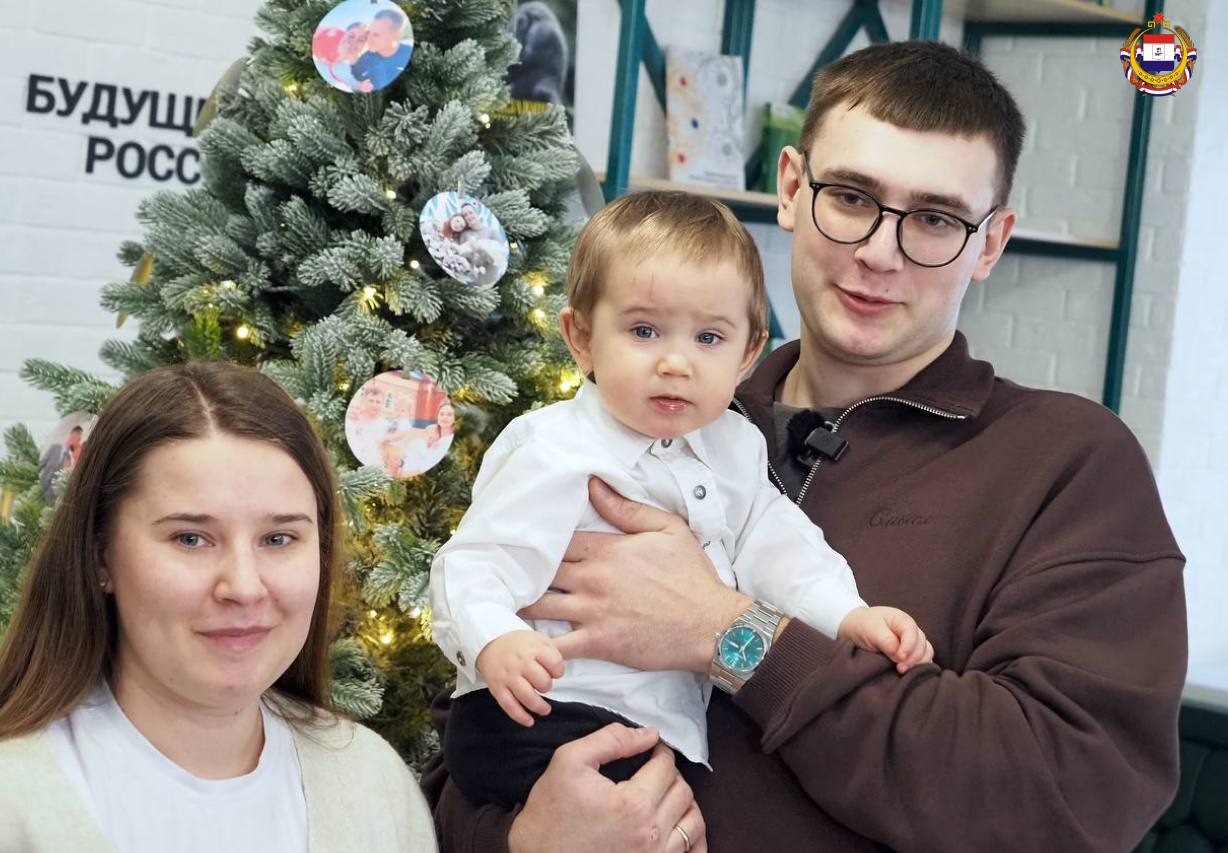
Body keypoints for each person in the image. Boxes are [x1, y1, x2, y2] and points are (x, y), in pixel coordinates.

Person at [422, 40, 1186, 852]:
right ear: (791, 188)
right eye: (851, 197)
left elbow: (1070, 797)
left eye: (935, 219)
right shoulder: (632, 428)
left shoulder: (1068, 463)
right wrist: (520, 839)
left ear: (990, 242)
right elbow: (462, 748)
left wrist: (729, 632)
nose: (879, 253)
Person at [431, 192, 933, 811]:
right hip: (540, 712)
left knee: (662, 814)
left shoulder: (735, 447)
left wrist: (847, 615)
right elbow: (474, 561)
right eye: (644, 331)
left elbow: (780, 547)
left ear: (747, 353)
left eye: (708, 337)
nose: (676, 362)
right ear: (581, 338)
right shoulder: (554, 448)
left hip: (658, 734)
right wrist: (494, 640)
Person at [0, 362, 437, 853]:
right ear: (101, 556)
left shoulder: (372, 784)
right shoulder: (14, 800)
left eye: (278, 538)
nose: (244, 588)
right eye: (190, 538)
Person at [352, 8, 412, 93]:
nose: (369, 39)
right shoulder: (362, 61)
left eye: (376, 35)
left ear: (396, 35)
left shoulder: (411, 55)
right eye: (369, 33)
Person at [38, 423, 84, 501]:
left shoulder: (72, 457)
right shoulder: (54, 448)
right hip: (43, 487)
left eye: (78, 439)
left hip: (54, 495)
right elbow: (41, 464)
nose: (76, 441)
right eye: (74, 437)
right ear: (69, 435)